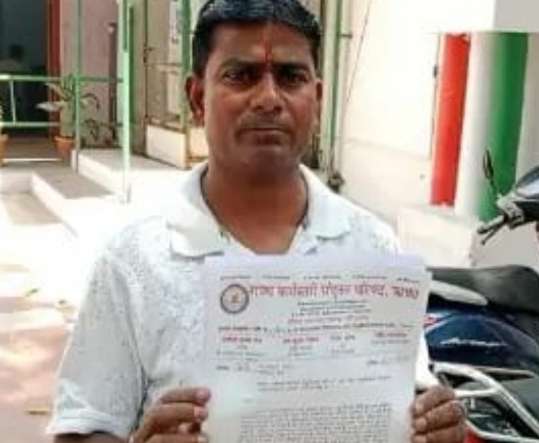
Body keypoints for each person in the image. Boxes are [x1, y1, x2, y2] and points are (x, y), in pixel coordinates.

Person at [49, 1, 466, 442]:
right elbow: (81, 427)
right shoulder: (133, 262)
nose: (269, 98)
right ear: (197, 98)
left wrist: (434, 424)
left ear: (317, 98)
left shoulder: (374, 249)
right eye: (241, 75)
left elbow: (410, 403)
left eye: (291, 77)